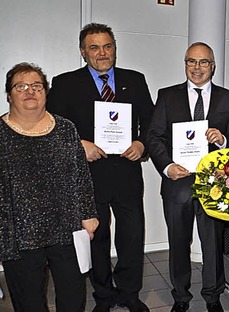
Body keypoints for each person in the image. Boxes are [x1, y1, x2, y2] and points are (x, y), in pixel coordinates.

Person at [46, 23, 154, 312]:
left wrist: (142, 144)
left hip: (128, 173)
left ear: (115, 48)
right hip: (87, 176)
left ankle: (130, 293)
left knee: (132, 237)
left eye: (107, 46)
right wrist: (81, 144)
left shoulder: (136, 79)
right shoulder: (65, 82)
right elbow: (54, 127)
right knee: (97, 238)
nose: (102, 52)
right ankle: (104, 296)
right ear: (83, 52)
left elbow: (152, 122)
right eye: (94, 47)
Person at [147, 42, 229, 312]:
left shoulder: (228, 98)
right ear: (185, 64)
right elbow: (154, 136)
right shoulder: (167, 96)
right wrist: (167, 166)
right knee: (179, 244)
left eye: (203, 62)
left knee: (213, 244)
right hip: (177, 184)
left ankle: (213, 298)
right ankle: (181, 297)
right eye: (192, 61)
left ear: (213, 66)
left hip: (215, 185)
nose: (197, 67)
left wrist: (223, 139)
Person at [0, 62, 99, 311]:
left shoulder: (65, 129)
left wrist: (88, 215)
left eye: (36, 86)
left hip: (66, 227)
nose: (30, 91)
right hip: (17, 233)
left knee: (73, 295)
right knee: (29, 301)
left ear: (46, 91)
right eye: (21, 86)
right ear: (9, 94)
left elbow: (81, 175)